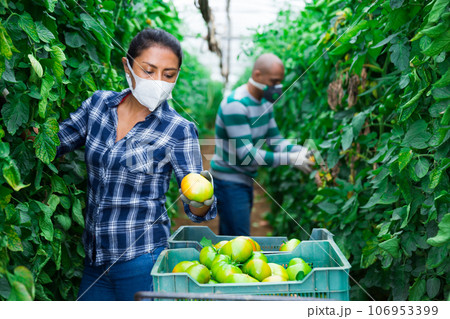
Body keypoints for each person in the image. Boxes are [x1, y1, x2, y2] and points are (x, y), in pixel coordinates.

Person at [33, 28, 216, 300]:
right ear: (127, 66)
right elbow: (53, 143)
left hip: (142, 259)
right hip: (95, 259)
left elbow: (198, 209)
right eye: (148, 70)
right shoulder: (98, 105)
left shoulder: (178, 129)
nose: (158, 81)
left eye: (169, 75)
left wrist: (200, 198)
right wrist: (18, 110)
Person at [210, 53, 313, 236]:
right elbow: (247, 155)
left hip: (244, 178)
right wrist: (290, 159)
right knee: (239, 239)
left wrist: (301, 150)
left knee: (231, 236)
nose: (277, 87)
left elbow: (276, 141)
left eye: (280, 82)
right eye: (274, 82)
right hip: (229, 179)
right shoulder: (236, 105)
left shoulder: (265, 104)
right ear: (257, 75)